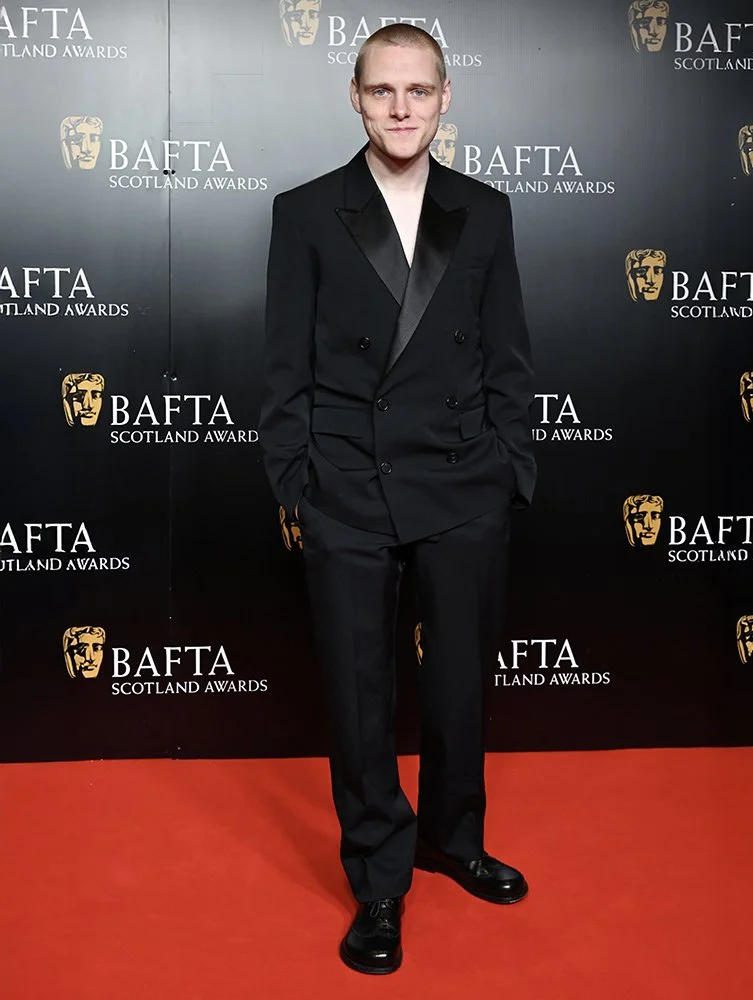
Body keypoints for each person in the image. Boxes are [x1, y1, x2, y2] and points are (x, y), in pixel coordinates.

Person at [259, 24, 536, 975]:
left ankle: (454, 839)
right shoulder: (305, 212)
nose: (402, 107)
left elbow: (508, 354)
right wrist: (297, 485)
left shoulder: (485, 211)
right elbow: (283, 367)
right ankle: (380, 879)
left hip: (463, 483)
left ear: (446, 96)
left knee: (458, 682)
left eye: (419, 89)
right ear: (356, 97)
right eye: (383, 90)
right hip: (347, 486)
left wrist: (508, 470)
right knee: (359, 695)